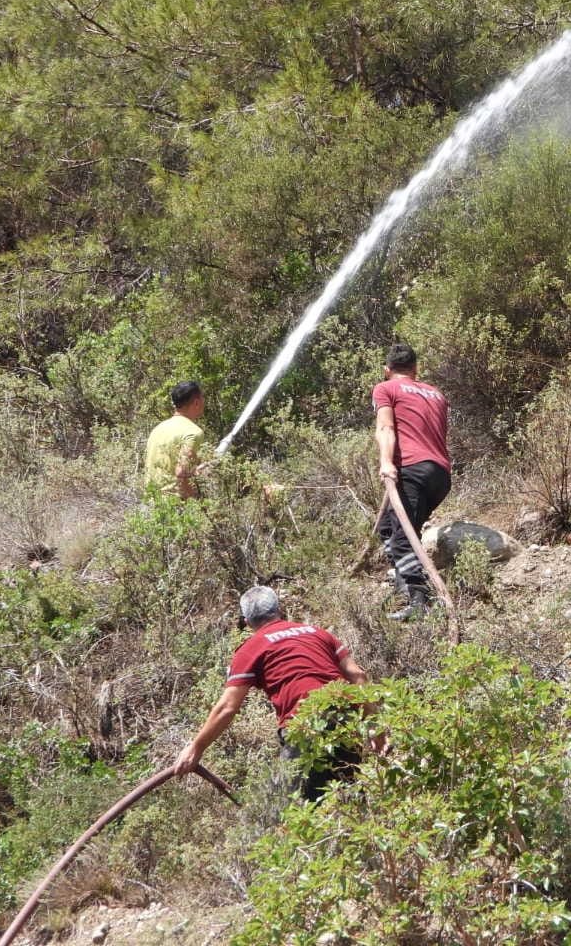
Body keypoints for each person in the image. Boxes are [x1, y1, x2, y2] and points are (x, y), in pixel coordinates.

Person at [173, 586, 369, 800]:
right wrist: (375, 726)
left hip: (306, 724)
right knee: (349, 795)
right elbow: (358, 676)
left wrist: (196, 747)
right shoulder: (318, 633)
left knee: (289, 807)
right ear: (279, 610)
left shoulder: (251, 648)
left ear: (247, 622)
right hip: (346, 717)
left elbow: (227, 707)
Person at [372, 343, 451, 621]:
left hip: (413, 471)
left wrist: (386, 462)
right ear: (416, 370)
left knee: (403, 539)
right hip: (440, 475)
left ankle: (420, 602)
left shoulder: (386, 389)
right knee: (387, 528)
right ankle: (404, 581)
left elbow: (386, 428)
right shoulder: (436, 393)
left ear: (387, 370)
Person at [143, 381, 207, 499]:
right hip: (174, 506)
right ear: (197, 402)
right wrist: (196, 499)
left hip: (150, 502)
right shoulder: (193, 432)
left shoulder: (158, 428)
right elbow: (181, 473)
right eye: (203, 397)